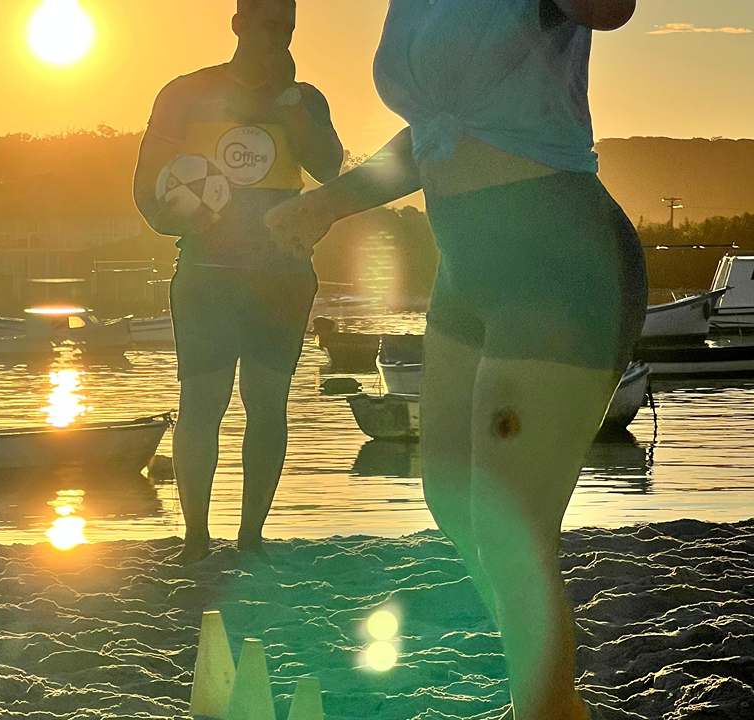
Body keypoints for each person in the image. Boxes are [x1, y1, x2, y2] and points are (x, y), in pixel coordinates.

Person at [264, 1, 642, 718]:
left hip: (557, 262)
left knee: (511, 532)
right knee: (451, 497)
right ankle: (550, 702)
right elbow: (435, 134)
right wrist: (327, 204)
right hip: (466, 271)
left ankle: (544, 708)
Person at [133, 0, 344, 563]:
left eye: (287, 28)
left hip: (283, 275)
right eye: (267, 25)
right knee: (202, 404)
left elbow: (329, 168)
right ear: (237, 23)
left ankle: (251, 538)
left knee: (267, 405)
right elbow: (146, 188)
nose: (278, 37)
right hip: (207, 274)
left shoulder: (305, 98)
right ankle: (195, 539)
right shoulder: (184, 93)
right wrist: (175, 220)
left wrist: (290, 102)